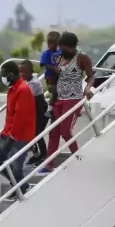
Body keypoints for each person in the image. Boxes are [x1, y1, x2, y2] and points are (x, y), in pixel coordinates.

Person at [41, 32, 94, 173]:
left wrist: (88, 88)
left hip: (73, 98)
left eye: (63, 47)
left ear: (70, 46)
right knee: (54, 132)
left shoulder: (82, 58)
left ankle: (78, 158)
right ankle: (48, 164)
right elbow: (59, 75)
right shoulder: (60, 58)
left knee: (65, 131)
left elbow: (91, 77)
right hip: (59, 98)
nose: (60, 50)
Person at [0, 61, 36, 196]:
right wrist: (6, 135)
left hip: (20, 136)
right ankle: (19, 184)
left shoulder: (23, 90)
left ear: (11, 74)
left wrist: (11, 138)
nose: (3, 78)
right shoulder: (13, 89)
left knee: (16, 167)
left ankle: (20, 186)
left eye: (4, 75)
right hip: (7, 134)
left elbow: (20, 117)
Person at [20, 60, 48, 165]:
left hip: (40, 112)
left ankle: (44, 155)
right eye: (20, 72)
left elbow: (27, 97)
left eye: (25, 72)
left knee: (37, 134)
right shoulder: (25, 82)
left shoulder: (34, 83)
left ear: (31, 72)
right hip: (32, 112)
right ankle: (36, 154)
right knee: (29, 134)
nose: (22, 74)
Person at [39, 31, 61, 97]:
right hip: (50, 77)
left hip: (60, 76)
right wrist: (54, 69)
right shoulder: (46, 53)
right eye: (49, 43)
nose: (51, 45)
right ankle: (51, 106)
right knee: (54, 92)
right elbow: (44, 64)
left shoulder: (61, 52)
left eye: (53, 43)